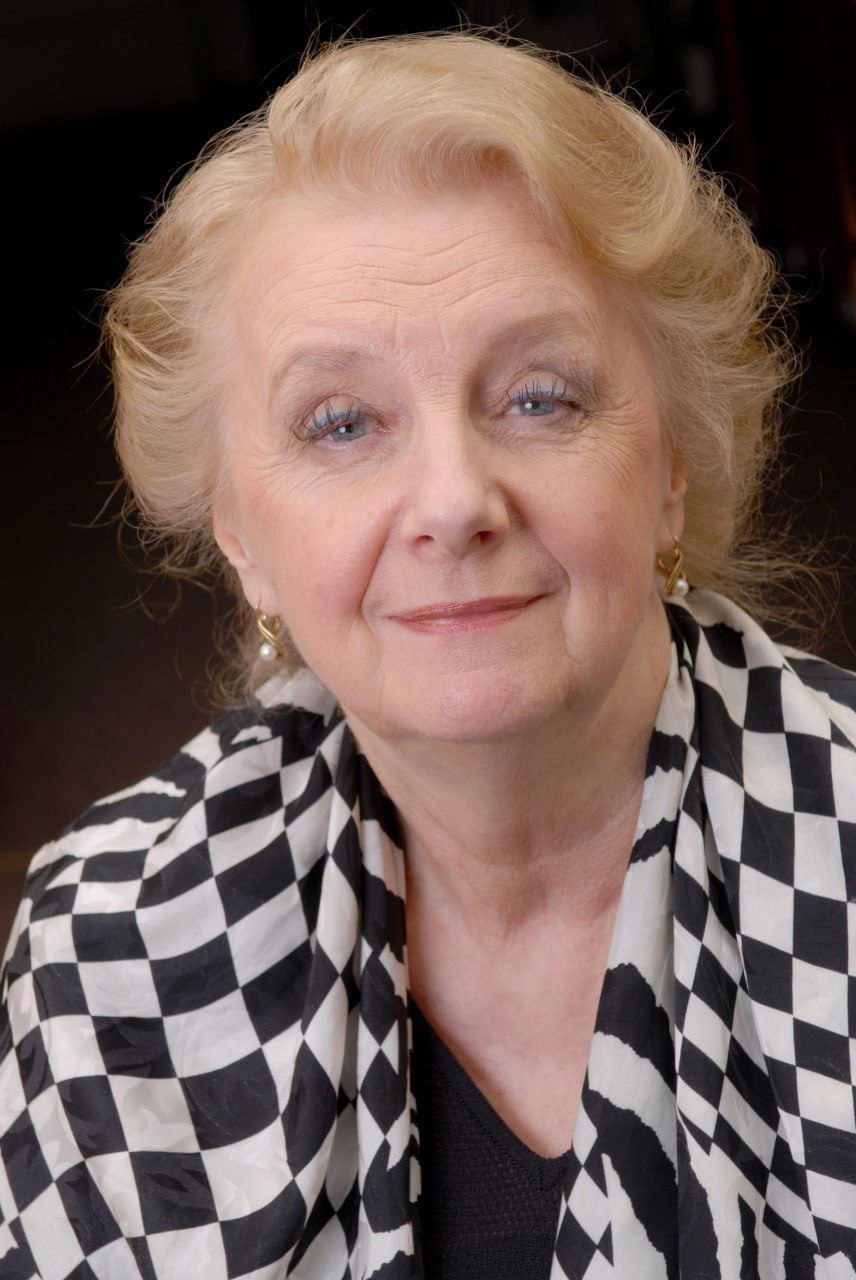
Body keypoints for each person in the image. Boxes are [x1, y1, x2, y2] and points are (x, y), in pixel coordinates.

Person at [1, 27, 855, 1280]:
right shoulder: (107, 950)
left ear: (673, 467)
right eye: (341, 422)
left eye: (539, 396)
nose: (453, 502)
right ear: (240, 536)